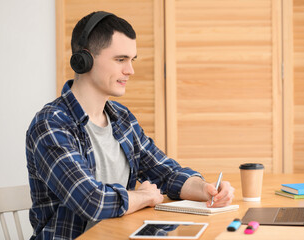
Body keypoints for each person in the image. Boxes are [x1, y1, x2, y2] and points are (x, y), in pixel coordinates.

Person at [26, 11, 235, 239]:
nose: (130, 70)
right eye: (120, 59)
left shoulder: (122, 118)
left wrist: (204, 189)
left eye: (131, 60)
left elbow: (166, 173)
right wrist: (143, 196)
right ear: (84, 60)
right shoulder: (51, 124)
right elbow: (90, 200)